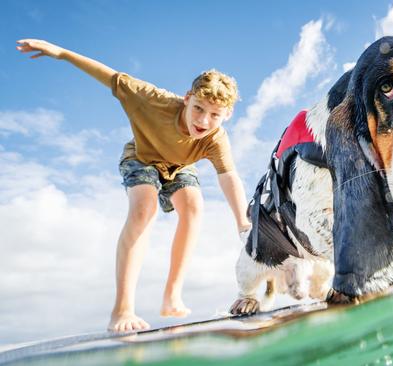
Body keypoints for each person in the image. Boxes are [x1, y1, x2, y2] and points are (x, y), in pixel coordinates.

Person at [16, 39, 251, 332]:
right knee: (145, 209)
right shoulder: (150, 99)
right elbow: (109, 76)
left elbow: (229, 177)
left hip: (178, 168)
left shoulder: (215, 138)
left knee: (193, 207)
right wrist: (62, 53)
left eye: (215, 115)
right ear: (187, 97)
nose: (203, 120)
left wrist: (243, 223)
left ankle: (171, 295)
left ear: (226, 115)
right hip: (141, 157)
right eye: (198, 108)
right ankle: (122, 309)